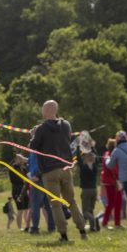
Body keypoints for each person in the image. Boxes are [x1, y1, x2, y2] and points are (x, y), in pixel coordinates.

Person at [30, 100, 87, 241]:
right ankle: (82, 231)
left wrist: (34, 134)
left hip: (50, 171)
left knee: (55, 203)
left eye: (43, 109)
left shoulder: (42, 129)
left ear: (46, 111)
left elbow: (33, 147)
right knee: (71, 201)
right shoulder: (66, 125)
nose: (42, 112)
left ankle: (63, 235)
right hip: (66, 169)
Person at [27, 150, 56, 235]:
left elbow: (41, 163)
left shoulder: (38, 148)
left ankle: (35, 228)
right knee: (47, 205)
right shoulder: (39, 148)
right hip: (43, 179)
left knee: (35, 205)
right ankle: (51, 227)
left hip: (39, 180)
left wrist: (37, 175)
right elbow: (31, 162)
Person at [76, 147, 99, 232]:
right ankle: (93, 227)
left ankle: (94, 220)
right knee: (90, 210)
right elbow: (95, 155)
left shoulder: (83, 167)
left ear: (85, 158)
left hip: (86, 191)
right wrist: (92, 147)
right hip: (94, 190)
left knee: (85, 212)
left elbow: (78, 157)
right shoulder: (95, 167)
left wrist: (78, 147)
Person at [9, 154, 30, 230]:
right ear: (15, 159)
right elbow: (13, 180)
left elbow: (28, 176)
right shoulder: (12, 168)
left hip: (25, 190)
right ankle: (19, 227)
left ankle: (27, 225)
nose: (21, 160)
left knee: (27, 208)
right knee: (20, 209)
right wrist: (22, 180)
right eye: (19, 158)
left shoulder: (24, 168)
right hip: (17, 191)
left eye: (21, 158)